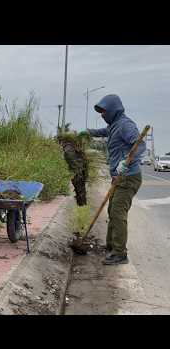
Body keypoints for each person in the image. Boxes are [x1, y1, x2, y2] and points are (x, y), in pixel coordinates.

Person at [79, 94, 145, 265]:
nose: (102, 115)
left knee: (117, 213)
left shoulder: (125, 125)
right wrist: (87, 132)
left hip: (129, 177)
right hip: (119, 178)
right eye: (100, 112)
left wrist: (126, 161)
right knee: (111, 211)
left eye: (104, 111)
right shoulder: (114, 125)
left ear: (113, 110)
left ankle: (120, 253)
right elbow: (103, 132)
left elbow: (140, 145)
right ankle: (111, 246)